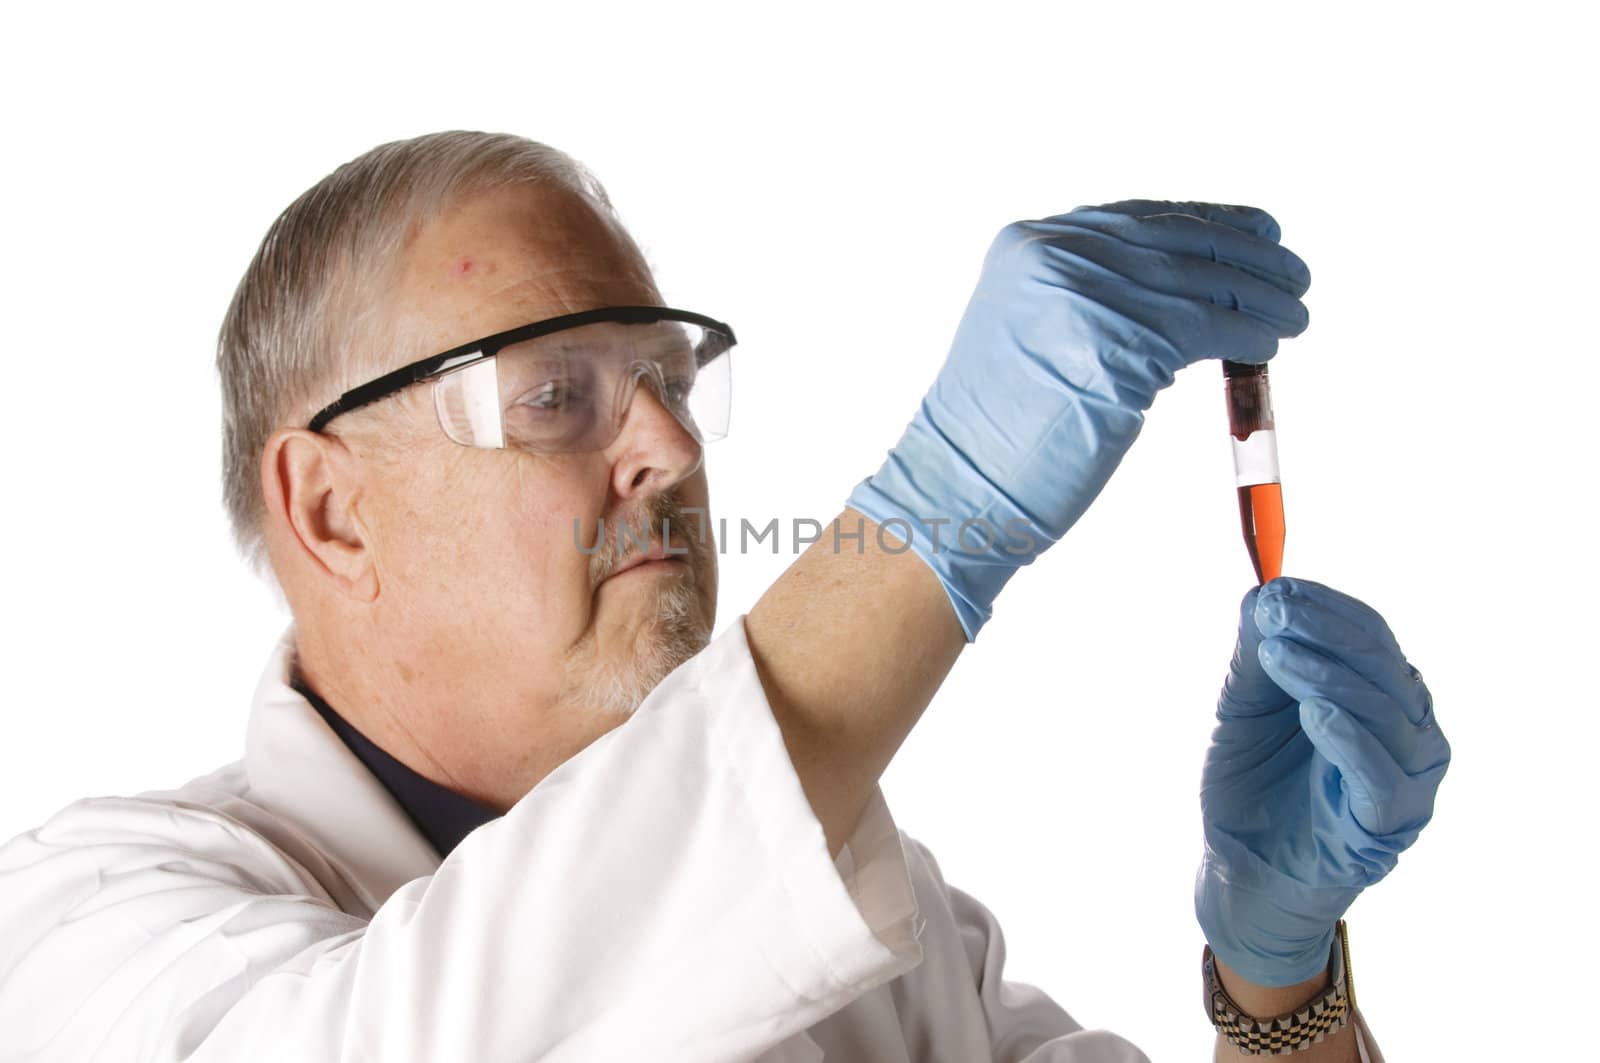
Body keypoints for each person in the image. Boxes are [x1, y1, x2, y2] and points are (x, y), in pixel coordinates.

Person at [0, 132, 1447, 1061]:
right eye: (558, 393)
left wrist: (1281, 990)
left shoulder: (868, 924)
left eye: (671, 383)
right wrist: (943, 513)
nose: (673, 451)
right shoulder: (100, 920)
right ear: (330, 508)